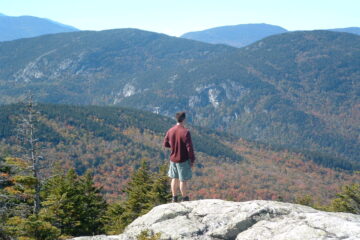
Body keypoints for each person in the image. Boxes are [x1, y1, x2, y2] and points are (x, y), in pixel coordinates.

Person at [163, 111, 195, 202]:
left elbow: (165, 144)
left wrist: (173, 146)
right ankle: (185, 198)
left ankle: (174, 198)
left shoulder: (170, 130)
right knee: (183, 180)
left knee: (174, 178)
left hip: (173, 159)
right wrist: (192, 160)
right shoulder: (185, 132)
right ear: (184, 119)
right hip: (183, 160)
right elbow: (189, 148)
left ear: (176, 119)